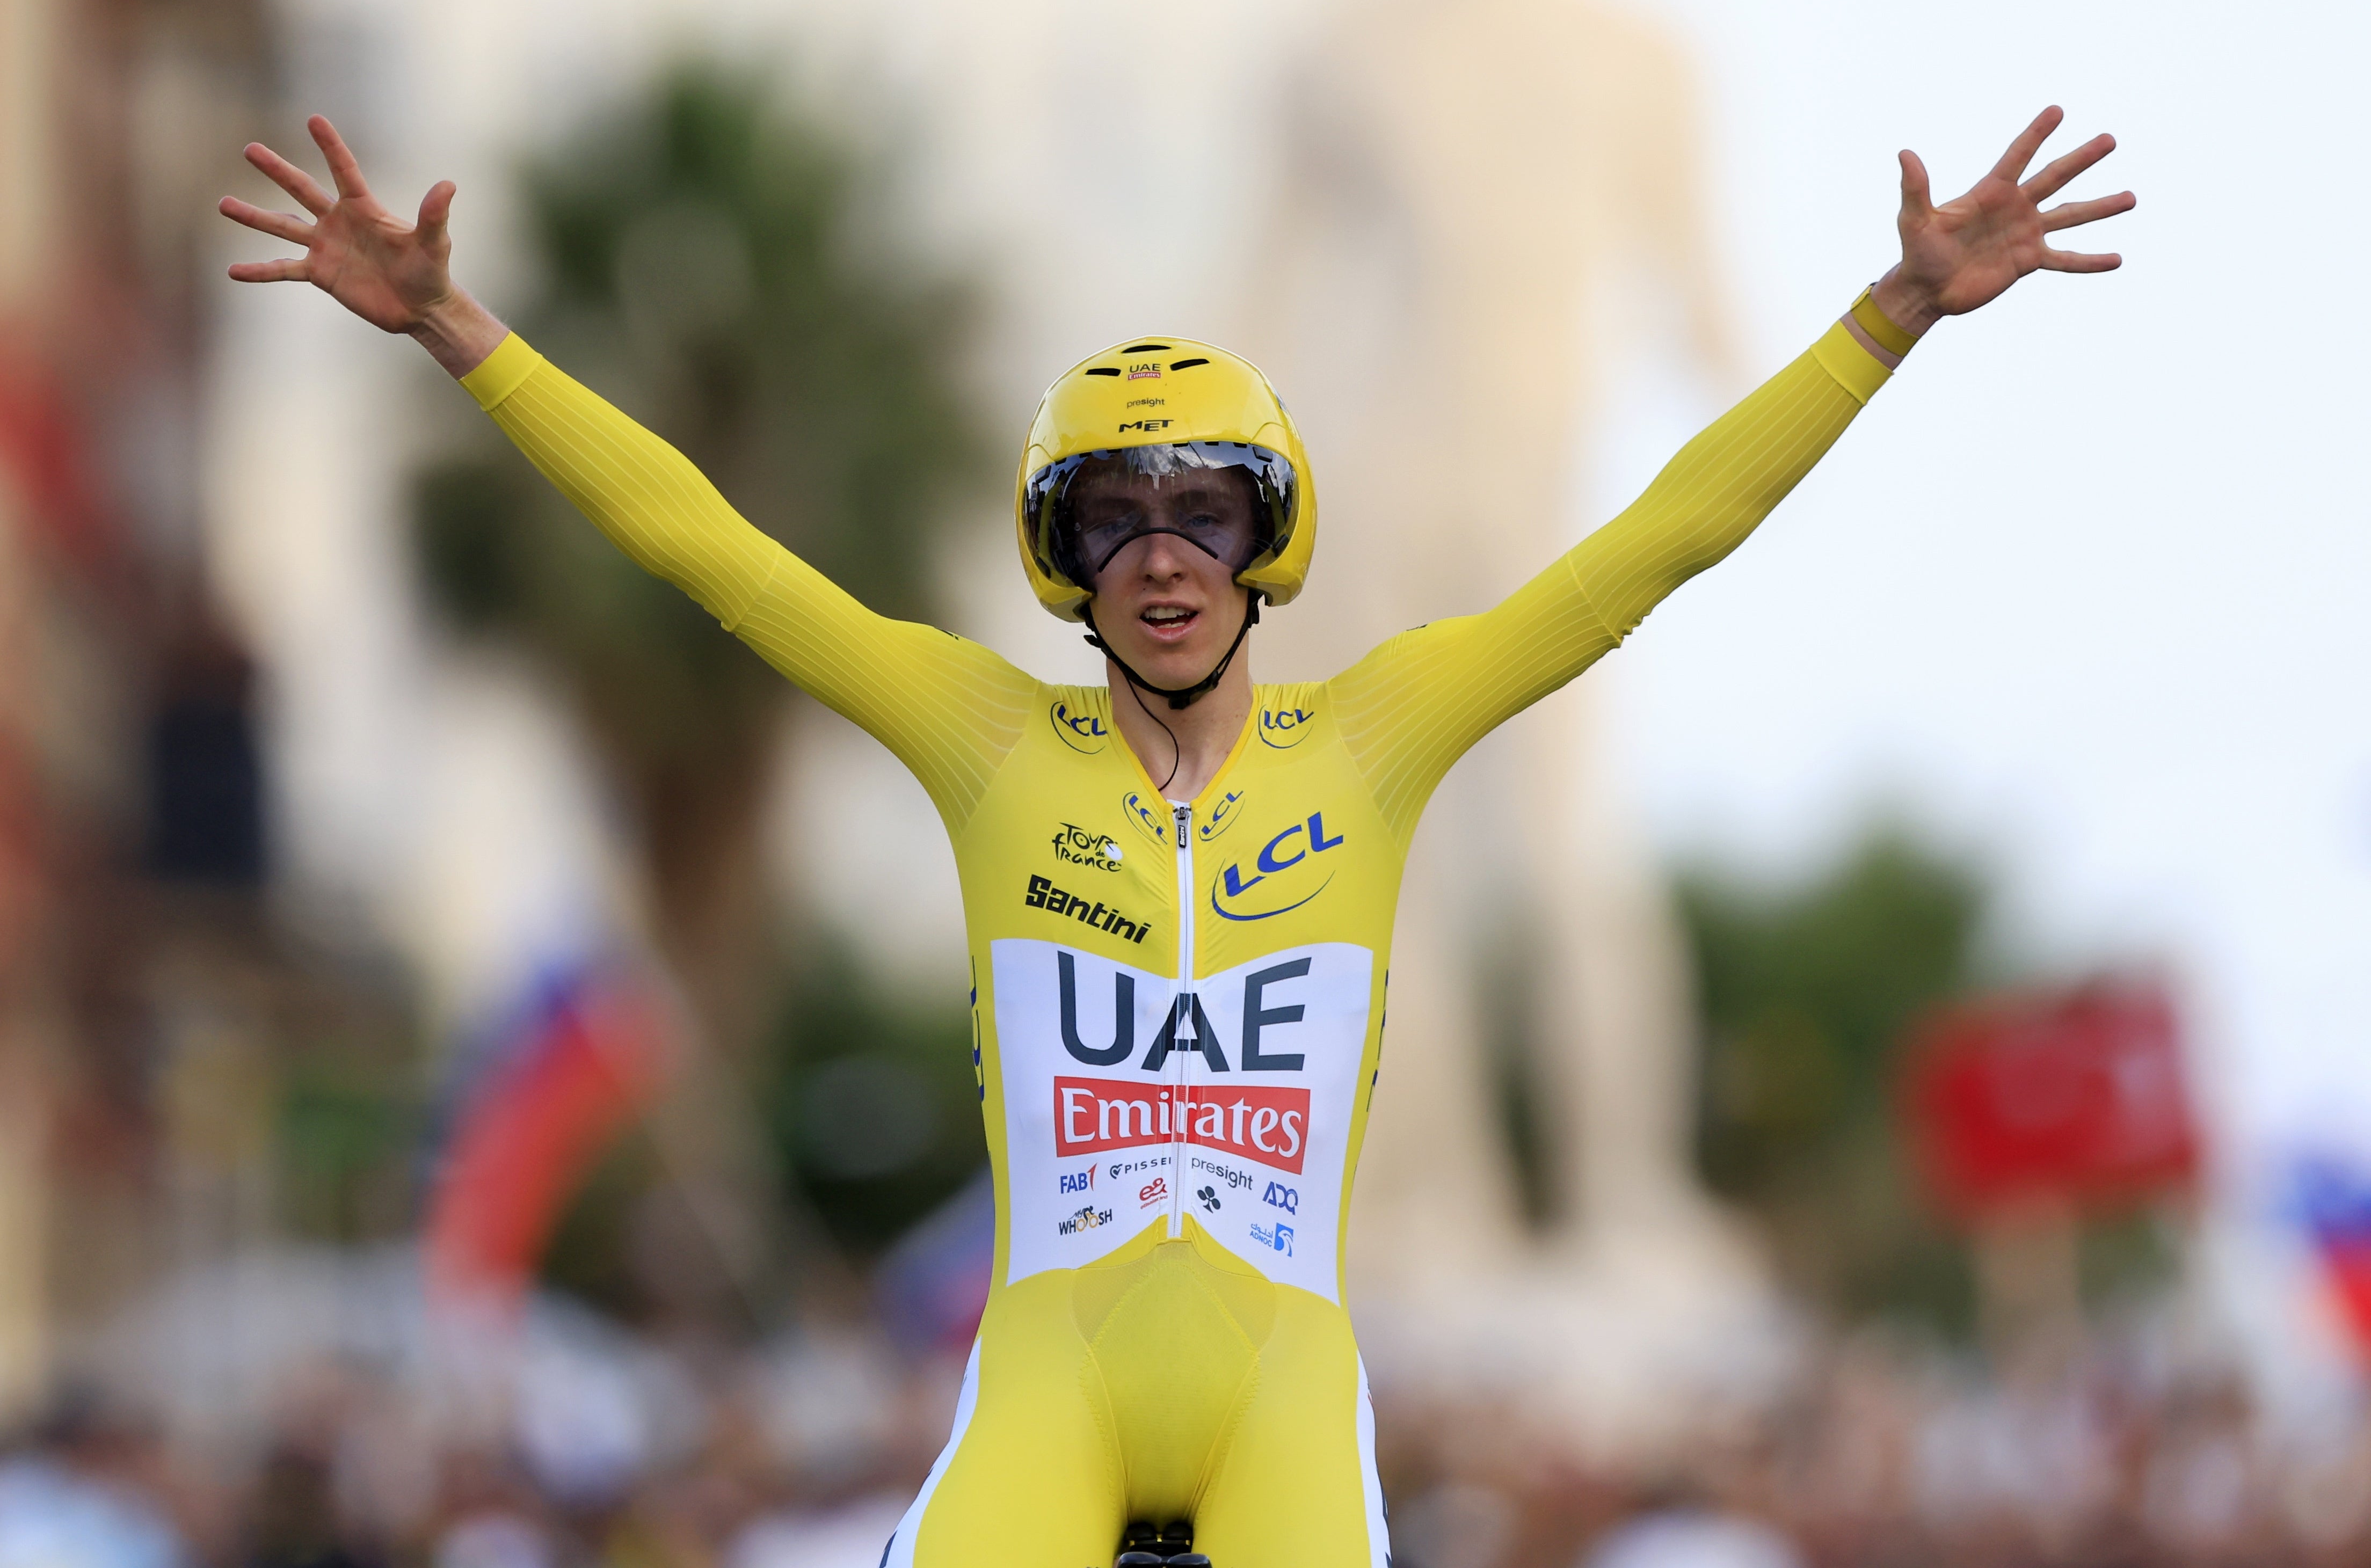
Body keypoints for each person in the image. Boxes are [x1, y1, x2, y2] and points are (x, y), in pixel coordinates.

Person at [222, 105, 2132, 1568]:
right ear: (1060, 557)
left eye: (1204, 512)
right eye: (1113, 517)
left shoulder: (1377, 734)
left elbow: (1658, 545)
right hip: (1050, 1372)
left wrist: (1891, 314)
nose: (1161, 554)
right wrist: (455, 327)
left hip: (1280, 1379)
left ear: (1264, 540)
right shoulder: (986, 739)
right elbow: (703, 544)